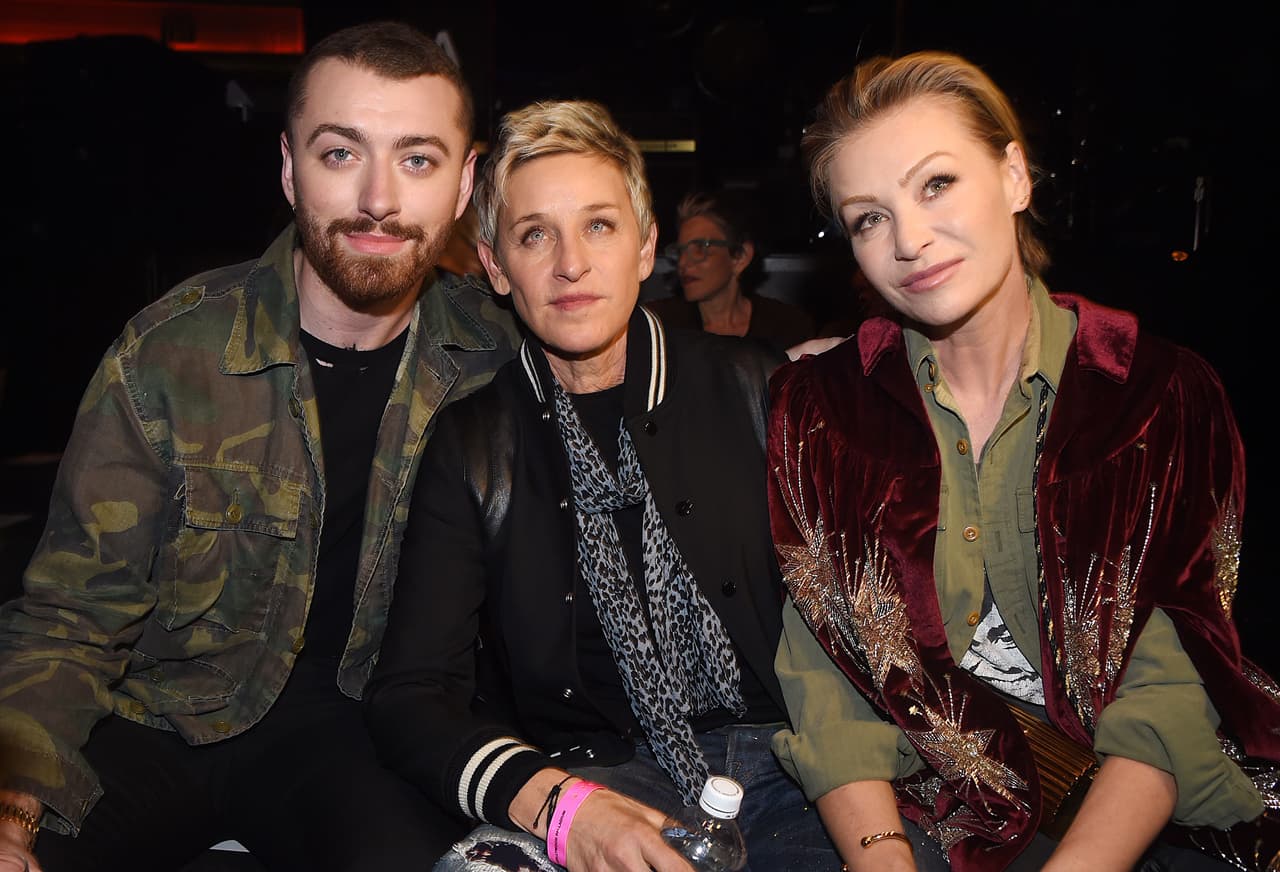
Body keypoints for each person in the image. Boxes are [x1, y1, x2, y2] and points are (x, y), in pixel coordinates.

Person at [0, 21, 521, 872]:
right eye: (341, 154)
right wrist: (11, 805)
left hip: (359, 738)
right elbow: (69, 616)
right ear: (289, 169)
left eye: (418, 160)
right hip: (153, 722)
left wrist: (781, 371)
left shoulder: (495, 361)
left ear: (465, 184)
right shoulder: (172, 352)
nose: (380, 199)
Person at [766, 51, 1279, 872]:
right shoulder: (825, 410)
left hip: (1130, 812)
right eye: (869, 216)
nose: (910, 238)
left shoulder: (1153, 396)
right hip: (918, 809)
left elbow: (1166, 689)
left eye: (937, 184)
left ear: (1014, 176)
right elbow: (826, 683)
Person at [365, 99, 840, 872]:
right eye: (534, 235)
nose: (570, 264)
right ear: (493, 266)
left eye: (599, 226)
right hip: (597, 779)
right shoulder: (474, 443)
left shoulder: (754, 385)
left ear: (647, 247)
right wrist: (560, 806)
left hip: (798, 767)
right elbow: (410, 696)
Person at [646, 190, 816, 351]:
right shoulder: (660, 325)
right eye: (681, 251)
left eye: (700, 248)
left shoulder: (786, 327)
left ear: (740, 257)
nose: (683, 262)